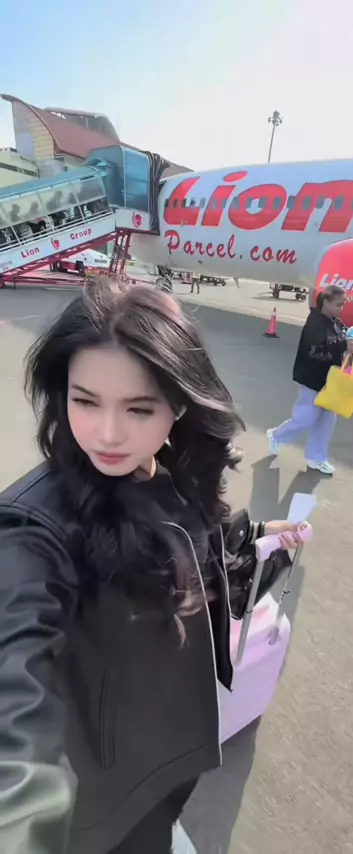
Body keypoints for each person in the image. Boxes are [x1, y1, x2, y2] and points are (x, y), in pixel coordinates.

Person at [0, 277, 302, 854]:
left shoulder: (171, 475)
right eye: (85, 401)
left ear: (179, 405)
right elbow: (14, 708)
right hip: (107, 805)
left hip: (176, 756)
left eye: (139, 408)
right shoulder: (31, 529)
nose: (107, 434)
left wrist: (254, 538)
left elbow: (191, 548)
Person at [266, 284, 353, 474]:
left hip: (331, 381)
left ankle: (316, 458)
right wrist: (344, 344)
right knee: (305, 418)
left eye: (343, 305)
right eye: (338, 304)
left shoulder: (337, 323)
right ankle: (276, 435)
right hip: (313, 379)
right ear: (326, 302)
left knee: (325, 423)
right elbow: (318, 345)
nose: (341, 309)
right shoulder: (314, 322)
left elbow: (342, 344)